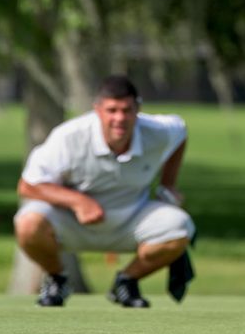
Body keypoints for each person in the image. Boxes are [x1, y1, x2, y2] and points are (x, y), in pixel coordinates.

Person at [14, 74, 196, 309]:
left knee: (180, 227)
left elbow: (180, 133)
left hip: (133, 218)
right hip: (73, 221)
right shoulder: (69, 136)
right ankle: (57, 279)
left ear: (137, 109)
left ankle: (126, 282)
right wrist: (78, 201)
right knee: (27, 224)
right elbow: (27, 185)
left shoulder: (158, 130)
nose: (119, 118)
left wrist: (167, 185)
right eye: (112, 110)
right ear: (97, 110)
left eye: (126, 110)